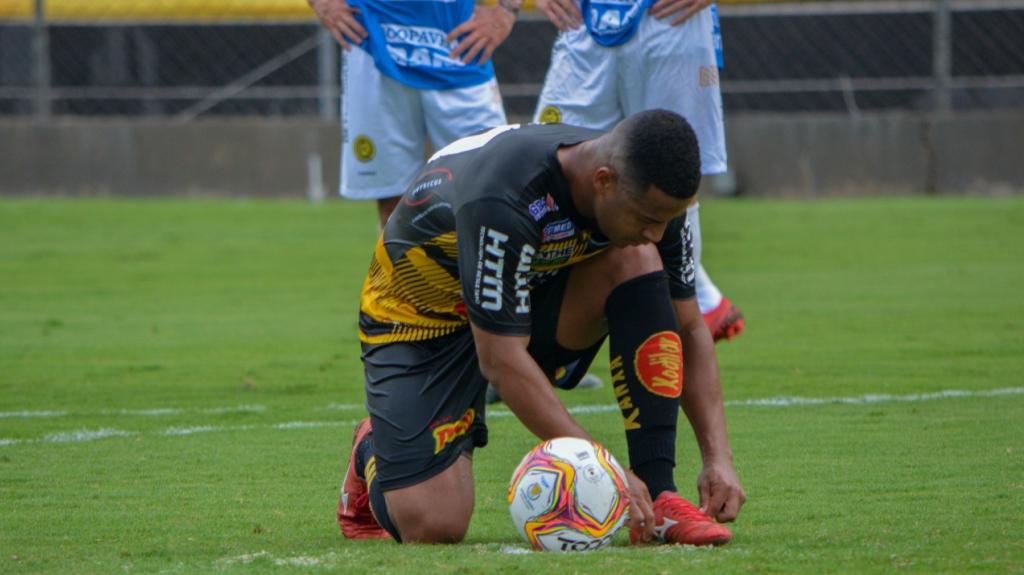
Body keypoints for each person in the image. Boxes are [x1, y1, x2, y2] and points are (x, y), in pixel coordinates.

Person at [337, 110, 746, 546]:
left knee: (638, 259)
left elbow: (688, 326)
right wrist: (606, 469)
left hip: (520, 306)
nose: (658, 230)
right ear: (603, 181)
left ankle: (660, 494)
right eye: (647, 218)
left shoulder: (649, 190)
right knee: (435, 525)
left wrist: (718, 456)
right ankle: (373, 447)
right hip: (419, 327)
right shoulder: (505, 195)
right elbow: (500, 361)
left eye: (668, 218)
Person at [532, 0, 744, 341]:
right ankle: (545, 340)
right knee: (551, 164)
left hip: (669, 19)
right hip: (584, 18)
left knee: (672, 166)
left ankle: (676, 326)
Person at [308, 0, 519, 229]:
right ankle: (402, 265)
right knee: (394, 203)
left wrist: (506, 10)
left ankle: (477, 264)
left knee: (492, 191)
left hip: (458, 48)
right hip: (373, 42)